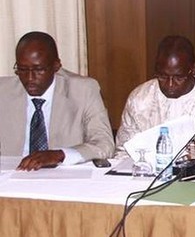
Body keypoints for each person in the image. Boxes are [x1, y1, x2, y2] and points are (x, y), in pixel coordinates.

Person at [0, 31, 114, 170]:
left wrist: (60, 155)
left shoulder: (83, 90)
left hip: (65, 178)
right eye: (22, 69)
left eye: (39, 69)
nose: (29, 78)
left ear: (56, 66)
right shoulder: (3, 91)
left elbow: (104, 144)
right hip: (13, 177)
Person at [116, 35, 195, 150]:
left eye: (178, 78)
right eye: (163, 76)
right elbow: (123, 150)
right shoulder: (139, 99)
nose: (170, 84)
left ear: (193, 69)